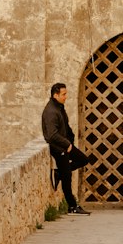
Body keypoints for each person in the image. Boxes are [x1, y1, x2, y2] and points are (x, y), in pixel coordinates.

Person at [41, 82, 90, 215]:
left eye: (65, 94)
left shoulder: (59, 108)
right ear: (55, 95)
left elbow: (65, 127)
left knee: (83, 160)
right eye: (63, 94)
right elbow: (51, 135)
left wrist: (70, 142)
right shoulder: (51, 111)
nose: (66, 96)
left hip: (65, 145)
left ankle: (58, 173)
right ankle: (72, 207)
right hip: (58, 148)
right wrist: (66, 144)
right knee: (67, 179)